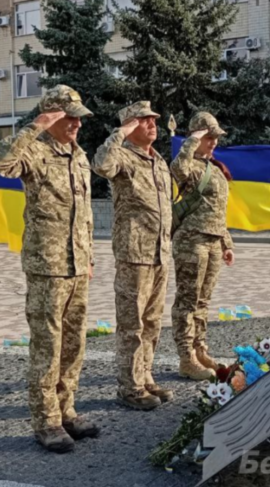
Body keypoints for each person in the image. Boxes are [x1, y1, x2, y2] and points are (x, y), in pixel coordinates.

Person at [0, 85, 98, 453]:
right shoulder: (34, 151)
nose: (76, 125)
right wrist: (33, 127)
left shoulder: (78, 156)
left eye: (78, 118)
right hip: (47, 266)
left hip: (77, 265)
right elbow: (0, 164)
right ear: (51, 116)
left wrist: (89, 257)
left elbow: (84, 215)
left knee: (74, 344)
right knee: (47, 347)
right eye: (69, 118)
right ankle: (47, 421)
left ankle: (67, 410)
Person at [92, 101, 174, 411]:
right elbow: (101, 165)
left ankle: (145, 377)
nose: (152, 124)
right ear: (130, 126)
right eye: (144, 120)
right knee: (132, 325)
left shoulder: (158, 161)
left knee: (152, 322)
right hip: (134, 254)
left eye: (154, 119)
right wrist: (120, 133)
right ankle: (129, 387)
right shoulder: (123, 157)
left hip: (159, 253)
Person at [170, 112, 235, 381]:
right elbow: (177, 170)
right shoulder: (191, 166)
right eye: (208, 137)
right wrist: (190, 143)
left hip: (213, 241)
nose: (213, 142)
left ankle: (200, 349)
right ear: (197, 138)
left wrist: (226, 242)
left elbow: (218, 211)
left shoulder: (216, 169)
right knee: (188, 300)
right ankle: (187, 357)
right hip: (192, 241)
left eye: (215, 138)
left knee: (203, 302)